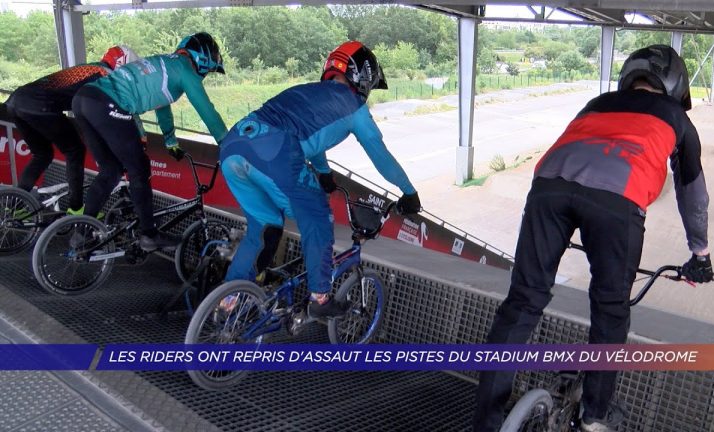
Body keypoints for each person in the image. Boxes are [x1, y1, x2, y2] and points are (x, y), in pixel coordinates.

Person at [473, 44, 714, 432]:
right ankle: (594, 418)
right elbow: (694, 195)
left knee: (522, 302)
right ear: (675, 84)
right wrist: (700, 253)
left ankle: (486, 421)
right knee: (610, 310)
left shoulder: (597, 103)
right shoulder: (678, 119)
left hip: (547, 190)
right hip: (617, 202)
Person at [218, 41, 421, 318]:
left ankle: (227, 301)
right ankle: (321, 298)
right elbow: (380, 156)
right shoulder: (355, 108)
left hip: (234, 145)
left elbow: (312, 141)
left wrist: (323, 173)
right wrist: (408, 192)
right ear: (363, 78)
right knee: (318, 217)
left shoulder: (309, 92)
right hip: (273, 150)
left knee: (264, 224)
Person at [71, 32, 227, 251]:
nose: (206, 75)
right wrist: (227, 143)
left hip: (83, 99)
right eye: (210, 70)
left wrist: (171, 140)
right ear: (203, 60)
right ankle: (149, 235)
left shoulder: (164, 62)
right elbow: (206, 111)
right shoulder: (186, 71)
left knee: (111, 171)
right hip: (108, 104)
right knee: (140, 169)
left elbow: (161, 105)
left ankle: (81, 233)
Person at [4, 46, 139, 214]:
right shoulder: (106, 77)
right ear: (122, 64)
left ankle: (15, 208)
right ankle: (76, 208)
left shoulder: (91, 67)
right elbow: (118, 111)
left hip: (16, 101)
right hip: (39, 105)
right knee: (75, 150)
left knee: (42, 154)